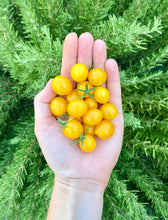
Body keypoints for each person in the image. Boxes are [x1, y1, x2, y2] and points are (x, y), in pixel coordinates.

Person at [34, 32, 124, 220]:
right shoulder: (78, 113)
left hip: (88, 119)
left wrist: (76, 184)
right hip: (85, 121)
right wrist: (74, 182)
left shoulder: (86, 109)